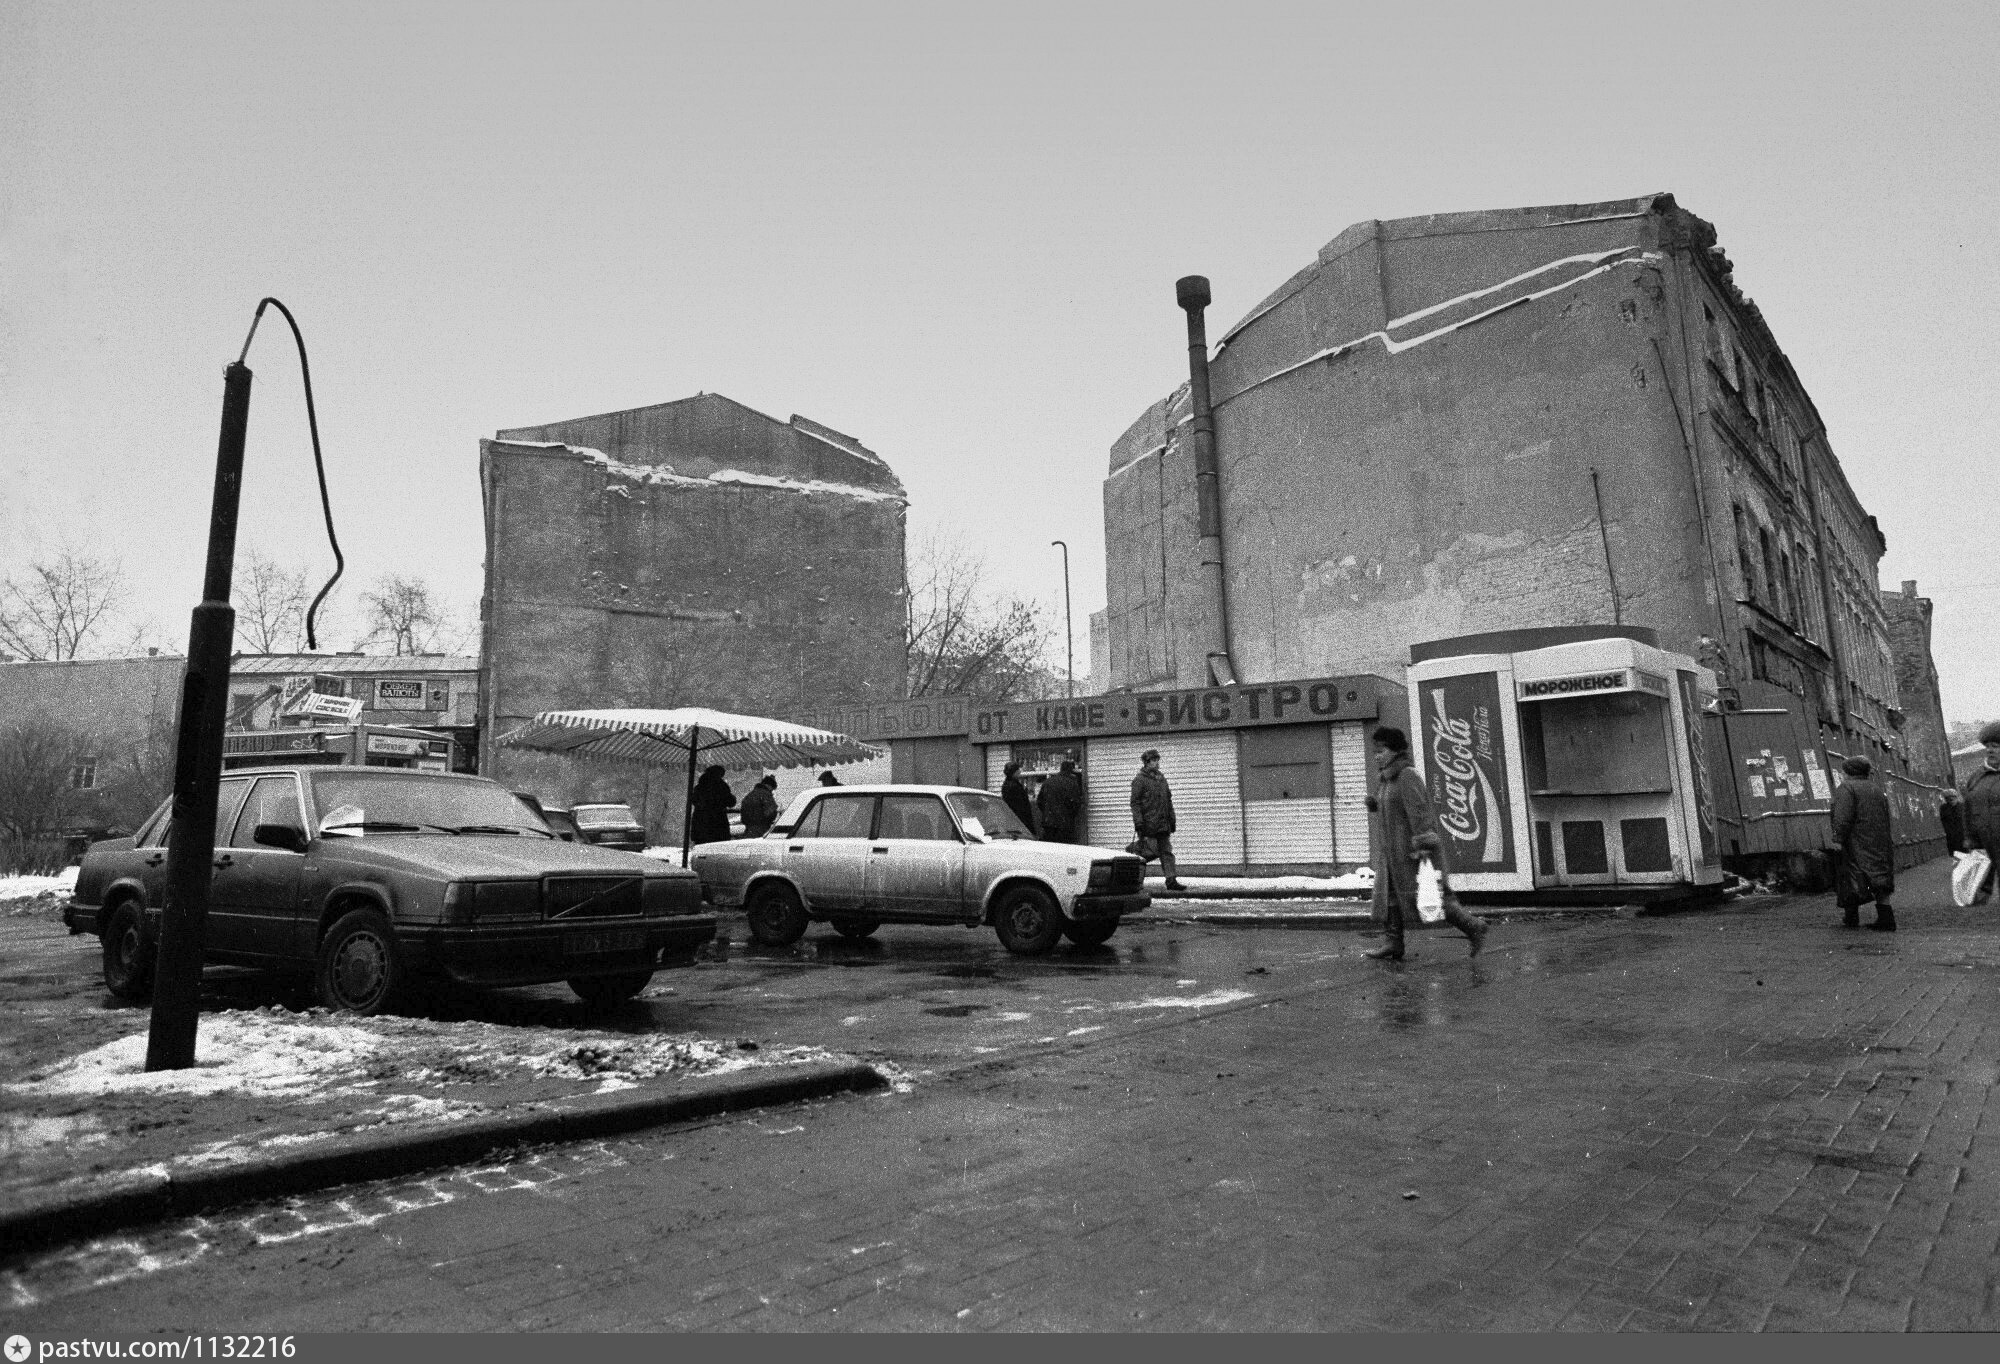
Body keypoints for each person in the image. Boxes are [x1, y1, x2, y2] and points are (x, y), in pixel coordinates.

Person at [1365, 725, 1488, 961]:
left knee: (1432, 897)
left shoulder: (1407, 775)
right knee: (1391, 897)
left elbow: (1420, 812)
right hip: (1392, 854)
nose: (1377, 756)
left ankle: (1474, 927)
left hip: (1412, 853)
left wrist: (1423, 844)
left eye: (1381, 751)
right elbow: (1395, 808)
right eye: (1375, 751)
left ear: (1395, 750)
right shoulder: (1387, 779)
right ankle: (1393, 942)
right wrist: (1375, 804)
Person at [1830, 755, 1896, 931]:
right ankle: (1886, 917)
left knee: (1850, 876)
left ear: (1849, 772)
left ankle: (1851, 917)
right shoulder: (1876, 788)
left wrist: (1837, 838)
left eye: (1844, 771)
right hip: (1878, 840)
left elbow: (1842, 817)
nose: (1842, 773)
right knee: (1880, 876)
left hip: (1856, 840)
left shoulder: (1847, 788)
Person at [1130, 749, 1184, 891]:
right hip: (1149, 824)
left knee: (1167, 852)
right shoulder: (1140, 780)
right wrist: (1138, 822)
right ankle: (1131, 874)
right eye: (1153, 760)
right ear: (1146, 762)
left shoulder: (1161, 779)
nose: (1156, 762)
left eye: (1157, 760)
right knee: (1149, 852)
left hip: (1163, 823)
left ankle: (1171, 880)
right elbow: (1135, 803)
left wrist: (1172, 819)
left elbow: (1168, 800)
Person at [1959, 720, 2000, 902]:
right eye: (1988, 746)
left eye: (1996, 746)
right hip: (1985, 846)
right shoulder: (1976, 778)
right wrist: (1970, 839)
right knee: (1979, 895)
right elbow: (1967, 812)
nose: (1990, 750)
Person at [1037, 758, 1084, 843]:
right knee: (1065, 846)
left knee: (1050, 846)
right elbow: (1076, 803)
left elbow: (1040, 801)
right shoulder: (1072, 783)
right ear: (1071, 771)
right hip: (1065, 823)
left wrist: (1047, 812)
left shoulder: (1048, 782)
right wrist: (1071, 816)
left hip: (1049, 823)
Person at [688, 765, 736, 846]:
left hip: (700, 823)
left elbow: (694, 800)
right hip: (718, 823)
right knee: (717, 847)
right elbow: (731, 802)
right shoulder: (721, 786)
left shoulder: (699, 787)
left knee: (701, 847)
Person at [1001, 760, 1038, 833]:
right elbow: (1020, 805)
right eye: (1018, 770)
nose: (1020, 772)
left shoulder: (1008, 784)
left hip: (1015, 819)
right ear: (1014, 772)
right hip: (1020, 820)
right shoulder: (1013, 786)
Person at [739, 774, 780, 839]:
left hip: (749, 830)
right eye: (772, 789)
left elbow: (743, 814)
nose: (772, 792)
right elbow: (771, 812)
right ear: (769, 786)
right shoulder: (766, 795)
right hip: (762, 829)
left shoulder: (750, 795)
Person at [1938, 788, 1965, 857]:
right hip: (1951, 835)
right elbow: (1943, 820)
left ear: (1956, 798)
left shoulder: (1962, 806)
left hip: (1963, 834)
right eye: (1948, 799)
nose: (1951, 800)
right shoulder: (1944, 808)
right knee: (1954, 854)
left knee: (1965, 854)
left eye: (1953, 798)